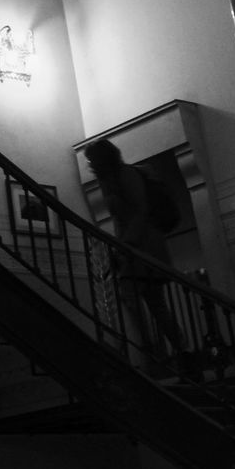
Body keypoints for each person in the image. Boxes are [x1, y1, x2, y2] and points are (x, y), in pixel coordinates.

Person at [84, 138, 186, 375]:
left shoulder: (126, 175)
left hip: (144, 243)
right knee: (148, 300)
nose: (89, 164)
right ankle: (169, 354)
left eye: (92, 159)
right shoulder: (109, 180)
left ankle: (166, 354)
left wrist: (125, 244)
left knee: (143, 298)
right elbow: (123, 217)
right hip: (131, 245)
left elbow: (140, 210)